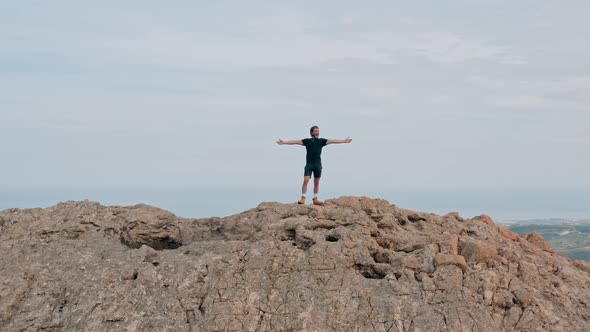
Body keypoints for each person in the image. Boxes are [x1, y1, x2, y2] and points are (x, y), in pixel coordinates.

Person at [276, 125, 352, 205]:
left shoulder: (321, 141)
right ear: (312, 132)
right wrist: (284, 142)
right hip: (309, 164)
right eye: (315, 131)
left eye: (318, 131)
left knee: (316, 182)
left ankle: (315, 199)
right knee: (306, 180)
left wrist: (344, 141)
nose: (317, 133)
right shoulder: (307, 141)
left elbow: (333, 141)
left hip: (318, 164)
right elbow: (295, 142)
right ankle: (303, 198)